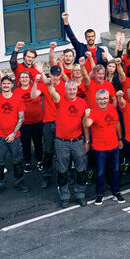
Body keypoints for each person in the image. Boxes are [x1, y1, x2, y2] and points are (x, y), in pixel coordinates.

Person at [46, 79, 90, 208]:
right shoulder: (60, 101)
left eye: (74, 89)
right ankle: (65, 196)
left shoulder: (82, 102)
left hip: (78, 142)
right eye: (69, 89)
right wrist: (49, 85)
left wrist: (87, 141)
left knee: (81, 170)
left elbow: (85, 124)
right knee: (62, 171)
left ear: (77, 90)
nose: (72, 91)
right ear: (65, 90)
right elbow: (53, 93)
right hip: (62, 143)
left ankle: (80, 194)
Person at [84, 87, 122, 204]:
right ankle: (100, 194)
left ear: (108, 99)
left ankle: (116, 192)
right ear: (96, 100)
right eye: (100, 99)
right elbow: (87, 124)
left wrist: (120, 139)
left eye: (105, 98)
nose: (102, 101)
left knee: (115, 170)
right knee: (100, 172)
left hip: (114, 145)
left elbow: (117, 123)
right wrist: (86, 115)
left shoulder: (111, 107)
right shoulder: (93, 111)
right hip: (100, 148)